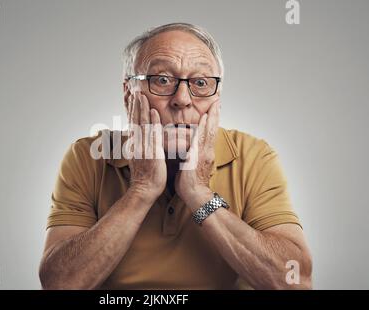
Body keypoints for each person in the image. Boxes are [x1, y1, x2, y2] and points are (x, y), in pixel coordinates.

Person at [39, 22, 312, 289]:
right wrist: (142, 190)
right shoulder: (88, 157)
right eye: (162, 80)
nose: (182, 99)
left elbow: (295, 282)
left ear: (217, 97)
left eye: (201, 82)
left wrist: (198, 193)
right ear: (128, 94)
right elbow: (58, 284)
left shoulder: (254, 156)